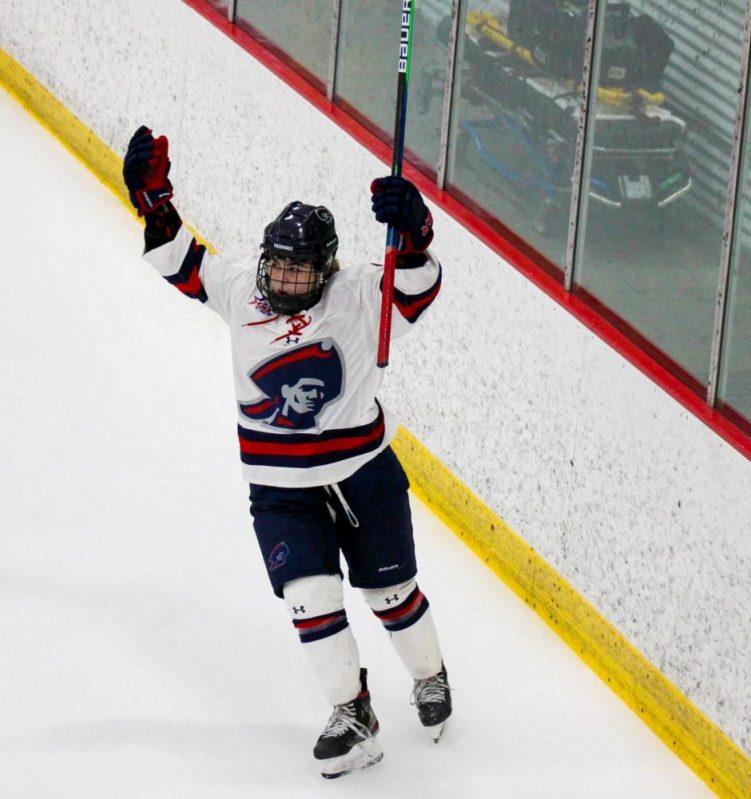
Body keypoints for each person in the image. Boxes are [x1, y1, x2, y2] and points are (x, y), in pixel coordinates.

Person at [122, 125, 451, 779]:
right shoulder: (241, 285)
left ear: (324, 268)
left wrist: (415, 231)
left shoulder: (357, 292)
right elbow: (180, 258)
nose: (283, 276)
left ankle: (430, 674)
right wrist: (153, 202)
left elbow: (416, 285)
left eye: (298, 269)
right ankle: (353, 713)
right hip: (278, 489)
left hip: (363, 474)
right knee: (309, 595)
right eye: (278, 263)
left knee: (391, 594)